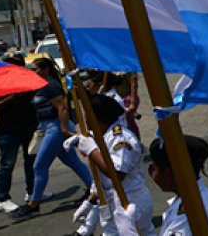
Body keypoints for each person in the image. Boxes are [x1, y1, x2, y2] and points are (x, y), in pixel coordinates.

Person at [13, 57, 93, 220]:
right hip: (47, 127)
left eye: (36, 69)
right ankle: (94, 188)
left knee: (40, 165)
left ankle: (34, 205)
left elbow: (62, 108)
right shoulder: (39, 86)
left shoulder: (52, 86)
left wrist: (63, 129)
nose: (33, 71)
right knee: (72, 161)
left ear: (46, 70)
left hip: (56, 127)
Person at [65, 93, 154, 235]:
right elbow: (103, 179)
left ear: (96, 117)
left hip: (130, 199)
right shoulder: (103, 137)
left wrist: (92, 151)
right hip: (113, 200)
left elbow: (117, 174)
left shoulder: (121, 138)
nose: (85, 120)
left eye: (87, 115)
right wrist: (91, 201)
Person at [0, 53, 38, 213]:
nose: (12, 67)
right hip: (8, 130)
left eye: (15, 63)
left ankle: (32, 192)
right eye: (9, 64)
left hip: (28, 126)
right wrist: (11, 98)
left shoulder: (28, 79)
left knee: (31, 161)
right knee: (7, 164)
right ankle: (3, 198)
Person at [149, 134, 208, 235]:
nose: (151, 173)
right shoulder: (199, 197)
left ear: (167, 175)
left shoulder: (187, 217)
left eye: (153, 168)